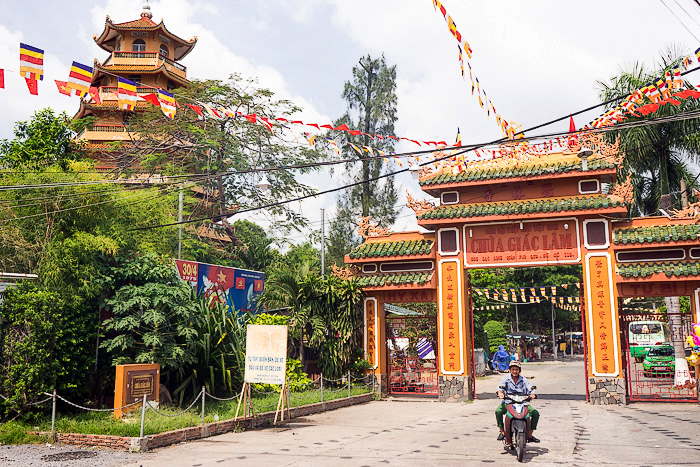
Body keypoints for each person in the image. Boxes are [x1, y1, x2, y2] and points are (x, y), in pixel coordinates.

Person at [495, 361, 540, 443]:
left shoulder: (524, 380)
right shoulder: (506, 379)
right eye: (513, 369)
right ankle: (502, 432)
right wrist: (500, 393)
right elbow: (499, 388)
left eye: (516, 369)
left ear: (519, 370)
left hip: (522, 403)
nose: (514, 371)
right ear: (510, 370)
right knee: (498, 411)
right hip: (508, 402)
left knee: (535, 413)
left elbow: (531, 388)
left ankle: (530, 435)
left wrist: (533, 394)